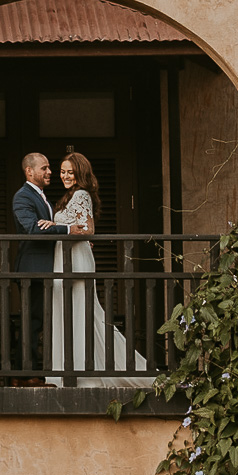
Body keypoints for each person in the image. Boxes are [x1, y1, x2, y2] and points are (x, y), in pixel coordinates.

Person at [48, 150, 148, 386]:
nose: (65, 176)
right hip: (66, 256)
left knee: (81, 312)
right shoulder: (69, 197)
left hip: (77, 258)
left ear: (80, 173)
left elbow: (88, 229)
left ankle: (83, 375)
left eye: (70, 172)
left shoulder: (81, 195)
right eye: (62, 172)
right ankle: (68, 371)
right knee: (69, 312)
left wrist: (56, 226)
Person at [9, 152, 69, 384]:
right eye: (44, 168)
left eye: (49, 168)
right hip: (32, 269)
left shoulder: (41, 196)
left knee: (40, 321)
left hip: (46, 268)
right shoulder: (23, 197)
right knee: (31, 322)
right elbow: (33, 230)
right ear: (29, 171)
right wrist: (66, 230)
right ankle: (25, 374)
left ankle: (37, 371)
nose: (50, 172)